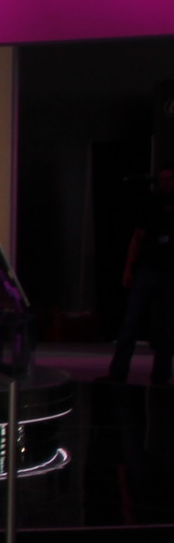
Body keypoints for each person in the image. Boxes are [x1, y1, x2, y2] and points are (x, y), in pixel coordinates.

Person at [106, 163, 174, 386]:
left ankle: (161, 374)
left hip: (169, 272)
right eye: (162, 179)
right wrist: (129, 267)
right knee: (131, 321)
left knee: (166, 325)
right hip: (148, 268)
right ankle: (118, 372)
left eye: (169, 179)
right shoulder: (152, 204)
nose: (165, 184)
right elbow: (138, 237)